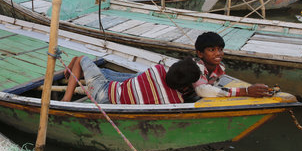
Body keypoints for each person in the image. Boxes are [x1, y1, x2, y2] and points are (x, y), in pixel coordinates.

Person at [61, 55, 200, 104]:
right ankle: (67, 97)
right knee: (135, 78)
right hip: (108, 94)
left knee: (82, 59)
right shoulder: (176, 100)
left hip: (105, 93)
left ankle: (66, 98)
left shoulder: (157, 70)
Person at [192, 31, 271, 98]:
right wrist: (246, 91)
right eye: (212, 50)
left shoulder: (220, 67)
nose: (218, 54)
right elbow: (202, 90)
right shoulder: (194, 66)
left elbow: (213, 89)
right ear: (200, 53)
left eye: (220, 49)